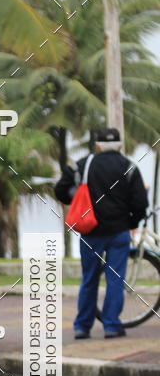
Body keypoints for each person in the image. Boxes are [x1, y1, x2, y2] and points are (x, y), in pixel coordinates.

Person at [55, 127, 148, 339]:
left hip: (90, 232)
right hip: (118, 232)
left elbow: (61, 190)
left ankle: (82, 327)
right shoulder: (129, 167)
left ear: (97, 145)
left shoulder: (83, 164)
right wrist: (130, 221)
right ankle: (111, 326)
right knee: (115, 279)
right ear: (120, 146)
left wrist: (76, 198)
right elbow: (141, 203)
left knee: (89, 279)